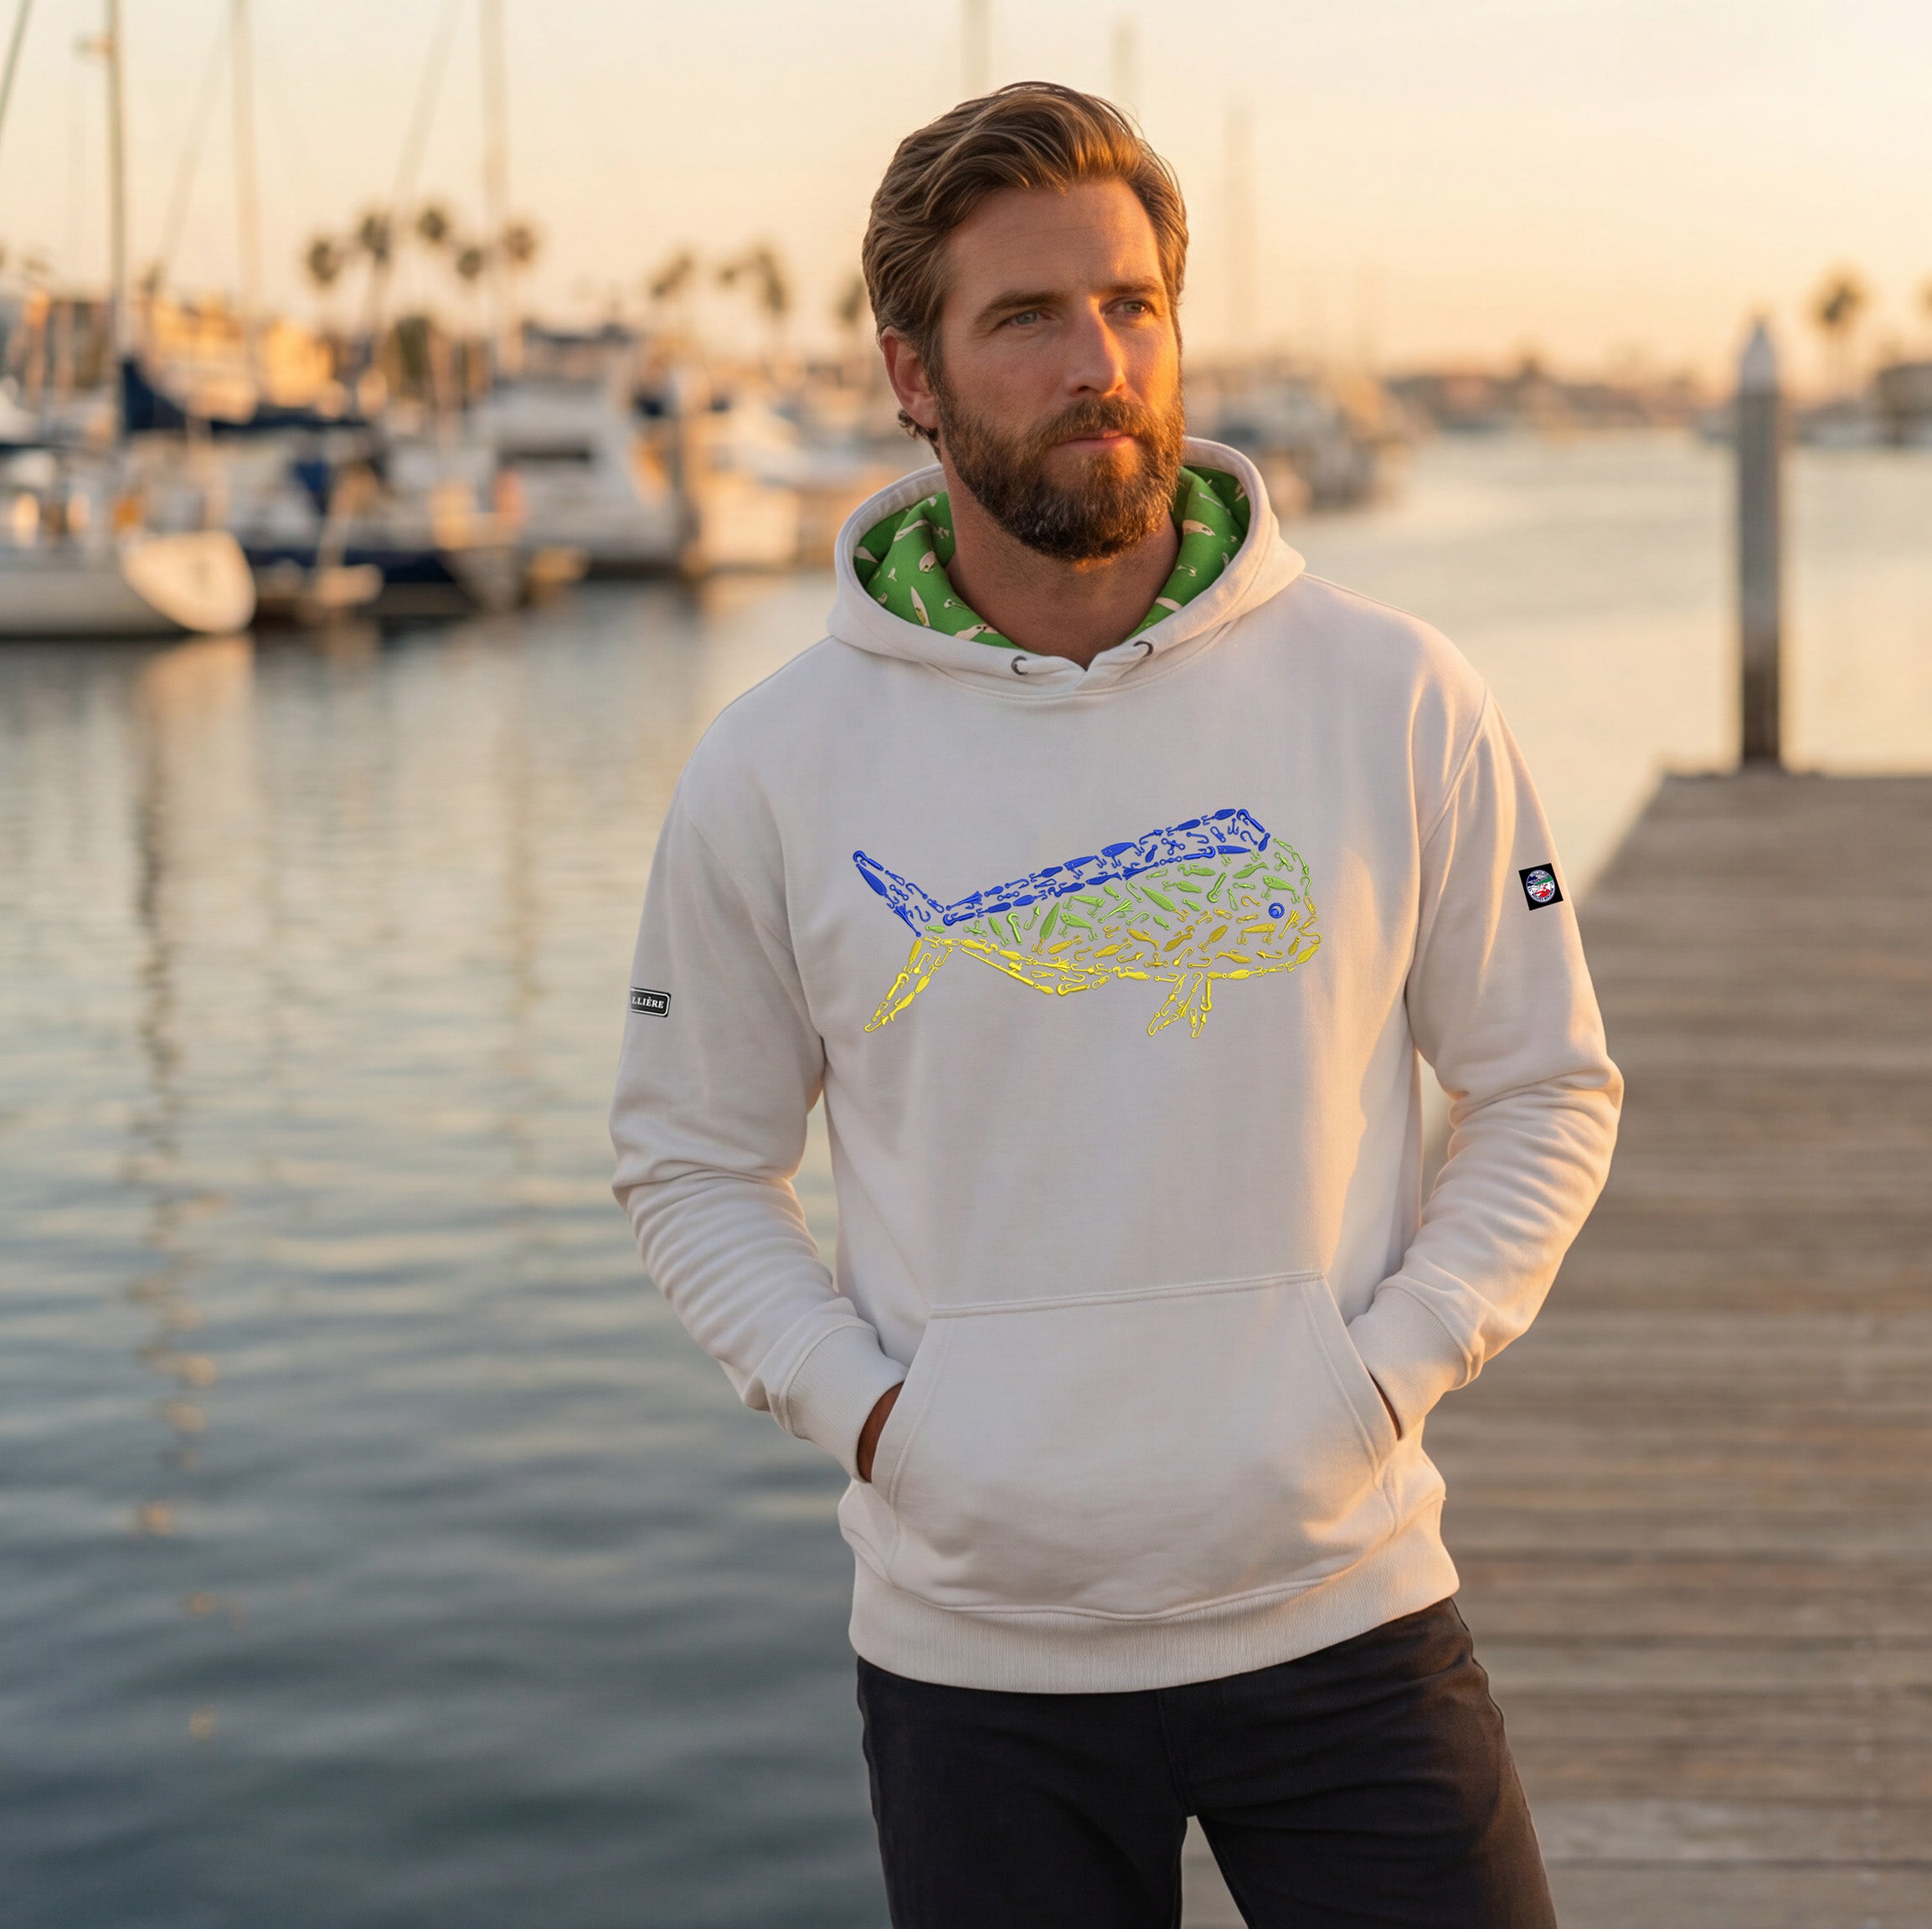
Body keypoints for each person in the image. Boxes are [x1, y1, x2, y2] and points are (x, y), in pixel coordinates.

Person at [609, 82, 1617, 1929]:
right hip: (978, 1659)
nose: (1102, 363)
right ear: (912, 373)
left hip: (1346, 1603)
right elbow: (689, 1164)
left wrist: (1385, 1372)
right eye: (1028, 320)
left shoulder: (1394, 693)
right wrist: (886, 1425)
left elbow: (1545, 1084)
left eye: (1133, 307)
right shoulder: (773, 768)